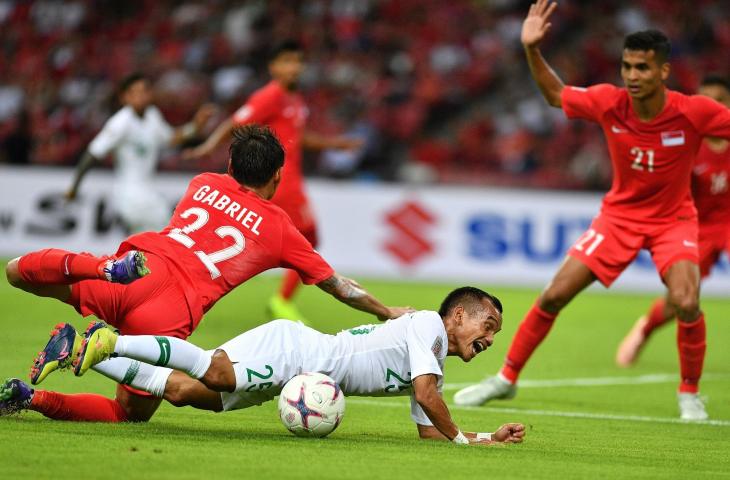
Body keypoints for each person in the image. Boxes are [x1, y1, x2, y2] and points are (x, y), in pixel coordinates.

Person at [4, 124, 409, 423]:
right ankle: (33, 397)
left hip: (135, 270)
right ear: (278, 176)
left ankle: (99, 268)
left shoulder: (202, 182)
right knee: (128, 412)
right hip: (168, 312)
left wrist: (105, 272)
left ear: (230, 163)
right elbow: (340, 287)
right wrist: (384, 311)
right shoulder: (280, 229)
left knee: (20, 273)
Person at [453, 0, 730, 420]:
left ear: (663, 72)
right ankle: (505, 379)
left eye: (642, 68)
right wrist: (532, 49)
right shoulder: (608, 102)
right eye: (627, 67)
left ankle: (689, 393)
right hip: (618, 218)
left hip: (673, 220)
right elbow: (554, 95)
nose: (633, 76)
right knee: (554, 294)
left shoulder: (694, 111)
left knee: (686, 300)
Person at [2, 287, 526, 446]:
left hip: (298, 373)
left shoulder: (431, 359)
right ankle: (113, 339)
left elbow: (429, 429)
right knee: (215, 373)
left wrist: (483, 439)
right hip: (298, 353)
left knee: (187, 394)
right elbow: (431, 401)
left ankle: (81, 352)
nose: (488, 340)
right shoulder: (428, 331)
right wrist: (466, 441)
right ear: (458, 315)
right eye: (488, 327)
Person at [186, 40, 362, 323]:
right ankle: (280, 301)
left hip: (289, 178)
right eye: (287, 62)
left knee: (291, 239)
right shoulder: (271, 95)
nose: (295, 68)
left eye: (298, 61)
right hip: (279, 179)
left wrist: (334, 143)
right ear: (274, 67)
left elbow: (298, 135)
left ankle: (274, 298)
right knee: (305, 237)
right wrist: (208, 146)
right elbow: (236, 122)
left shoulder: (294, 99)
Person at [616, 75, 730, 366]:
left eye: (720, 100)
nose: (713, 107)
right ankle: (645, 328)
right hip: (697, 227)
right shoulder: (687, 145)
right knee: (679, 301)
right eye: (706, 101)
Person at [66, 73, 214, 233]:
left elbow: (170, 138)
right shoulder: (121, 122)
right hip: (130, 194)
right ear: (125, 98)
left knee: (148, 244)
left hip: (148, 192)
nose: (141, 96)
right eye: (135, 93)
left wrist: (195, 127)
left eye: (144, 91)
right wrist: (74, 188)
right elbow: (93, 153)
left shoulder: (152, 115)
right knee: (163, 236)